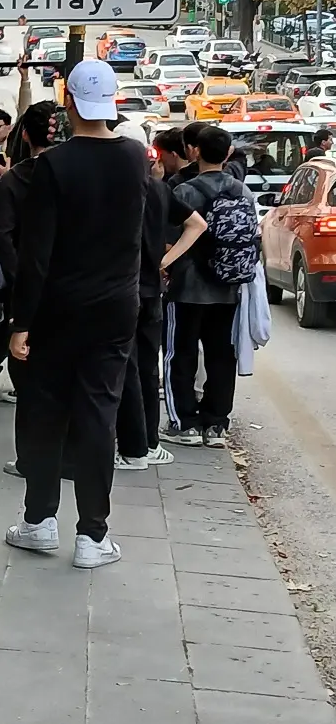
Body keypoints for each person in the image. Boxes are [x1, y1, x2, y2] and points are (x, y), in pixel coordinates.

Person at [6, 60, 149, 569]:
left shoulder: (53, 166)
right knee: (98, 413)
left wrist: (21, 323)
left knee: (44, 412)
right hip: (115, 307)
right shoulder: (136, 157)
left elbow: (36, 254)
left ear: (68, 103)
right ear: (112, 102)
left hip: (57, 309)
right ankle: (93, 535)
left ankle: (39, 521)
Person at [113, 125, 207, 471]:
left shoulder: (113, 190)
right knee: (147, 368)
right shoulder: (158, 190)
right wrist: (165, 260)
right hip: (152, 290)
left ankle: (131, 445)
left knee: (122, 368)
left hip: (120, 289)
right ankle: (148, 443)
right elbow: (196, 224)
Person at [164, 124, 257, 447]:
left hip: (187, 288)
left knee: (181, 354)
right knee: (221, 355)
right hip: (228, 289)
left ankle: (184, 423)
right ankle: (216, 424)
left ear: (194, 152)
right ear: (228, 153)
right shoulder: (242, 192)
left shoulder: (184, 192)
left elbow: (168, 242)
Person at [0, 101, 59, 478]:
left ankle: (30, 455)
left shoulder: (14, 180)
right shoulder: (73, 175)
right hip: (72, 287)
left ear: (26, 135)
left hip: (23, 291)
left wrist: (20, 277)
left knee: (26, 373)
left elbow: (2, 234)